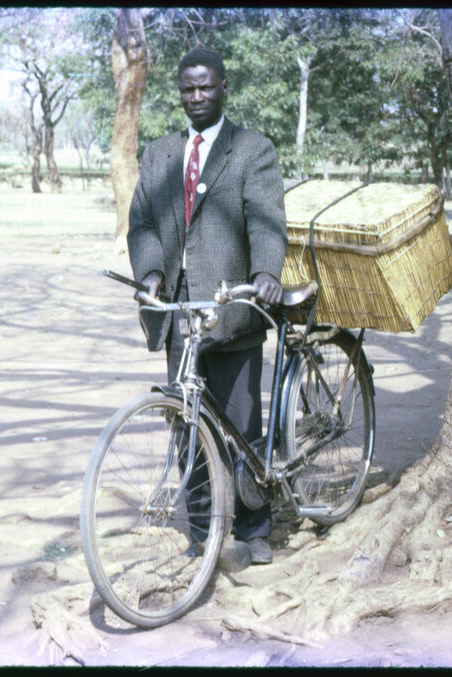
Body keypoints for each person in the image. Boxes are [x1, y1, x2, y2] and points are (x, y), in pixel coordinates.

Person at [127, 47, 288, 565]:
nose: (196, 97)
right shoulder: (158, 156)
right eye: (187, 89)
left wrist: (266, 271)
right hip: (181, 316)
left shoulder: (252, 150)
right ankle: (202, 531)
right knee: (186, 425)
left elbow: (265, 219)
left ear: (224, 87)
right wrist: (151, 271)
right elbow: (142, 224)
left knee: (242, 425)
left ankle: (255, 529)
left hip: (234, 311)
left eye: (206, 87)